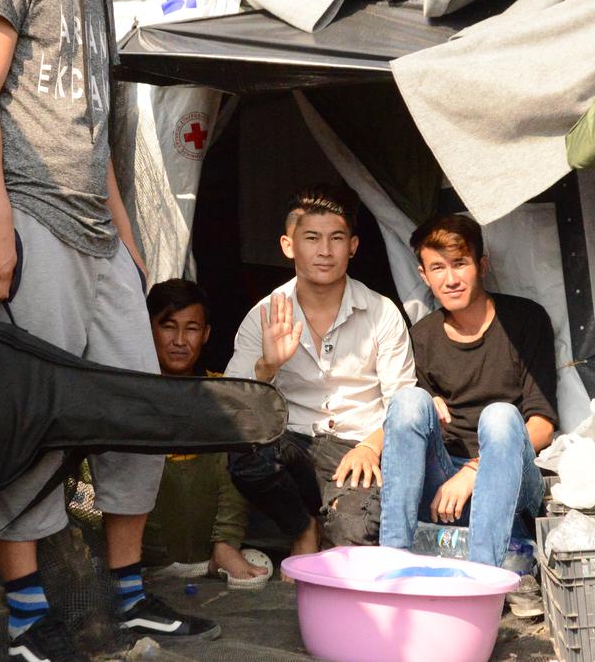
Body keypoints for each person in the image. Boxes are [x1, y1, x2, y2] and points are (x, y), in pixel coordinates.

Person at [0, 0, 217, 659]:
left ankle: (130, 593)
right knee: (32, 414)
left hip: (100, 234)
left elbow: (97, 129)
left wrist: (134, 248)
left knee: (140, 404)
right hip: (29, 216)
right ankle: (28, 615)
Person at [225, 184, 415, 562]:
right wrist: (267, 367)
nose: (325, 251)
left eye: (336, 239)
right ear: (288, 245)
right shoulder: (265, 313)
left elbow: (403, 405)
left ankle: (334, 524)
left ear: (354, 246)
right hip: (293, 444)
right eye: (311, 238)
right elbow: (233, 406)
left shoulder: (382, 312)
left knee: (353, 542)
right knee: (247, 454)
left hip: (357, 448)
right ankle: (302, 527)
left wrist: (370, 446)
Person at [379, 213, 557, 571]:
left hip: (510, 478)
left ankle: (483, 577)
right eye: (438, 268)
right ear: (423, 276)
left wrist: (475, 471)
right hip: (445, 488)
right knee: (409, 401)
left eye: (459, 264)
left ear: (482, 265)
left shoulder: (526, 320)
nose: (450, 279)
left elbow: (542, 424)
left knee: (501, 415)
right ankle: (391, 563)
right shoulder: (423, 336)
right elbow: (414, 428)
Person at [141, 279, 270, 585]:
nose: (179, 340)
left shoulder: (220, 387)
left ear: (207, 334)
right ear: (148, 330)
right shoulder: (134, 391)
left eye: (192, 328)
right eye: (168, 326)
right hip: (149, 546)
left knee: (238, 428)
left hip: (209, 536)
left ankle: (225, 550)